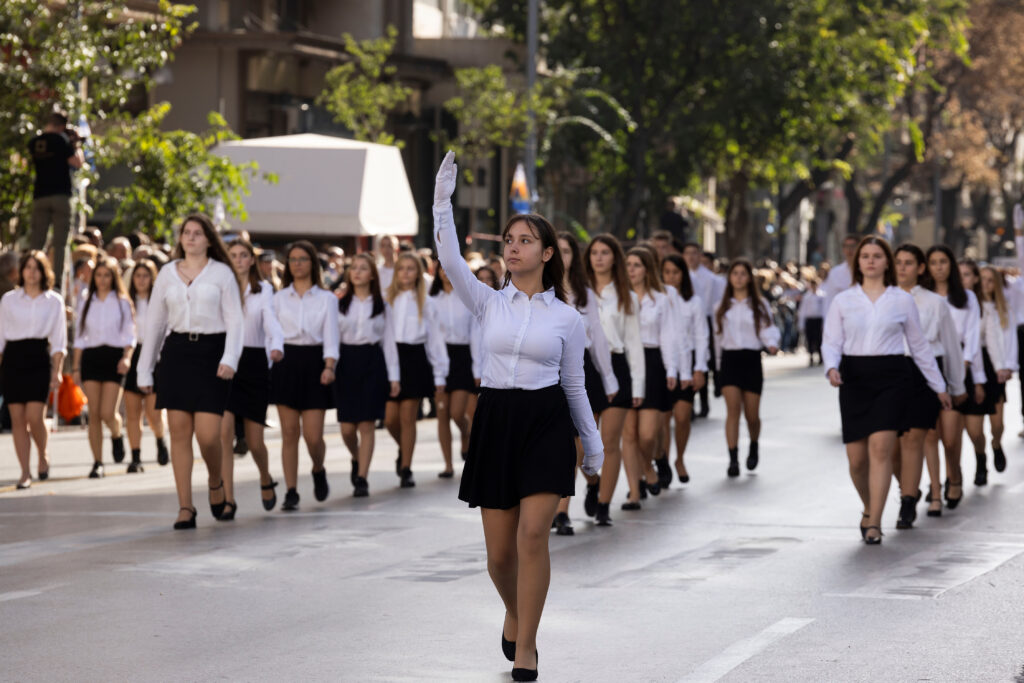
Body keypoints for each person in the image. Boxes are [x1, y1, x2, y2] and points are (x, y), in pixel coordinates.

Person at [434, 151, 602, 681]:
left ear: (548, 253)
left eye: (524, 241)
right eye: (508, 241)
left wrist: (592, 446)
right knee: (500, 557)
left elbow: (574, 384)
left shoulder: (567, 319)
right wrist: (442, 203)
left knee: (534, 536)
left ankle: (526, 644)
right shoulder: (488, 303)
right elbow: (449, 260)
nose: (512, 248)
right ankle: (513, 609)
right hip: (497, 418)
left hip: (545, 422)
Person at [822, 236, 951, 544]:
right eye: (865, 256)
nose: (870, 260)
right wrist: (831, 366)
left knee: (881, 448)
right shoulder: (843, 300)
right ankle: (869, 506)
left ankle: (875, 523)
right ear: (858, 263)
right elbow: (831, 341)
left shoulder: (901, 299)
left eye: (877, 256)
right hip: (854, 378)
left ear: (886, 262)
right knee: (857, 461)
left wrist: (939, 386)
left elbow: (919, 346)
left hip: (892, 378)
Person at [137, 214, 244, 530]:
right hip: (177, 354)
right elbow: (155, 324)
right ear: (180, 238)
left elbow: (236, 320)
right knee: (180, 432)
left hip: (213, 353)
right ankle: (185, 506)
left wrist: (231, 358)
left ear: (209, 239)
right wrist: (145, 370)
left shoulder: (222, 273)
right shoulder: (167, 274)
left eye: (198, 233)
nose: (191, 237)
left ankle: (215, 480)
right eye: (187, 233)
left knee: (209, 435)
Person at [893, 244, 965, 525]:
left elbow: (950, 347)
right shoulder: (882, 299)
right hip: (890, 374)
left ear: (920, 268)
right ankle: (909, 486)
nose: (901, 268)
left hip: (924, 374)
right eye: (897, 262)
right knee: (890, 445)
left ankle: (913, 499)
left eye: (908, 262)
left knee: (919, 438)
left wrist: (956, 387)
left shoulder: (935, 303)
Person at [552, 231, 618, 536]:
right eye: (558, 250)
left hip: (582, 373)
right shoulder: (539, 289)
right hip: (550, 374)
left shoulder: (584, 292)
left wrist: (608, 377)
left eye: (567, 251)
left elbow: (599, 339)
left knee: (578, 445)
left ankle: (563, 510)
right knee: (562, 445)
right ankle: (590, 485)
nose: (562, 257)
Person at [271, 240, 339, 511]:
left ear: (313, 263)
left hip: (314, 362)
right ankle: (290, 491)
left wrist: (329, 366)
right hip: (286, 361)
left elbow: (331, 336)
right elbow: (272, 334)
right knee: (289, 433)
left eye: (303, 259)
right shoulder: (278, 298)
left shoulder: (327, 299)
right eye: (293, 259)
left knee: (312, 436)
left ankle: (318, 468)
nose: (297, 264)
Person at [221, 239, 285, 516]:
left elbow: (270, 320)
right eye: (232, 255)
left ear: (251, 260)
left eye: (243, 255)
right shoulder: (220, 289)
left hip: (255, 362)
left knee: (255, 441)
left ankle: (265, 477)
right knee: (223, 435)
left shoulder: (264, 290)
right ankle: (227, 499)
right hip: (226, 362)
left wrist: (276, 345)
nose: (237, 259)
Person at [586, 234, 644, 526]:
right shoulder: (576, 292)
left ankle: (604, 504)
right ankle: (592, 482)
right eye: (594, 252)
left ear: (614, 258)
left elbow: (634, 343)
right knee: (583, 445)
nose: (598, 257)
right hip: (585, 367)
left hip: (618, 366)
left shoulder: (627, 296)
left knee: (609, 441)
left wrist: (638, 386)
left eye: (605, 252)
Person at [923, 244, 984, 510]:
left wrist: (966, 366)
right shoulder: (922, 296)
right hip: (928, 364)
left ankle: (955, 476)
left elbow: (972, 334)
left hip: (959, 364)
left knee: (951, 435)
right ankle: (935, 484)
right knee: (929, 433)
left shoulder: (967, 298)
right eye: (933, 262)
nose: (939, 267)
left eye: (943, 262)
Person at [335, 253, 400, 497]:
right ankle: (356, 457)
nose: (358, 272)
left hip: (372, 361)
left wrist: (394, 377)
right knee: (347, 428)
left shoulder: (382, 305)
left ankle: (362, 477)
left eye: (363, 268)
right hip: (346, 362)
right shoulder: (340, 303)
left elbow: (389, 342)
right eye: (354, 268)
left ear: (372, 274)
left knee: (366, 424)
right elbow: (332, 337)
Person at [0, 252, 67, 488]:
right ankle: (25, 472)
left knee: (34, 417)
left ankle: (43, 453)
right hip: (13, 359)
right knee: (17, 419)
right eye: (27, 267)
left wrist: (56, 370)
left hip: (38, 357)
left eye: (36, 267)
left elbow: (59, 340)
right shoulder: (9, 299)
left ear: (43, 271)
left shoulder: (53, 301)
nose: (31, 272)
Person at [385, 252, 448, 488]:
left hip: (414, 358)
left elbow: (435, 340)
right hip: (392, 356)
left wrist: (440, 372)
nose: (406, 273)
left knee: (408, 417)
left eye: (411, 269)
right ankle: (404, 448)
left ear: (418, 273)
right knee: (390, 418)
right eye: (402, 268)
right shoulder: (387, 300)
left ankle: (406, 467)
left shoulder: (426, 302)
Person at [714, 259, 780, 477]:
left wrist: (771, 343)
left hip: (751, 359)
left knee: (752, 415)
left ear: (749, 278)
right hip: (730, 360)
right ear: (730, 277)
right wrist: (715, 368)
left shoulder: (759, 305)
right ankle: (733, 458)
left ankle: (753, 444)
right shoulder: (721, 307)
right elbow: (716, 338)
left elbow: (768, 329)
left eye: (743, 273)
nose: (739, 278)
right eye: (735, 273)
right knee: (733, 410)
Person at [624, 247, 678, 506]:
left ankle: (648, 464)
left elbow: (668, 336)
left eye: (636, 264)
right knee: (630, 434)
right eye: (628, 264)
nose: (631, 269)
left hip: (653, 362)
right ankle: (635, 491)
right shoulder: (617, 297)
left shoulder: (661, 299)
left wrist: (673, 369)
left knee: (648, 433)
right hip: (625, 362)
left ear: (646, 269)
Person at [72, 257, 135, 478]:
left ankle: (117, 434)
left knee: (109, 412)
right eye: (98, 275)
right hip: (92, 357)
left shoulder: (122, 301)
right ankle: (97, 462)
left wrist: (126, 357)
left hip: (113, 357)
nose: (102, 280)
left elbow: (129, 333)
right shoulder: (86, 300)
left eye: (106, 275)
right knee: (95, 414)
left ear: (113, 277)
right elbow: (80, 336)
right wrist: (76, 367)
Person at [964, 264, 1014, 485]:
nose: (984, 284)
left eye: (989, 280)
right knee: (974, 429)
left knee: (997, 423)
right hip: (970, 363)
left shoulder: (1001, 308)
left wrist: (1005, 366)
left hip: (993, 366)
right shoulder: (966, 305)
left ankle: (996, 444)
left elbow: (1003, 340)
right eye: (981, 279)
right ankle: (980, 459)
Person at [429, 260, 480, 478]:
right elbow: (432, 337)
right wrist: (436, 369)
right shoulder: (432, 300)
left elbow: (475, 335)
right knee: (441, 413)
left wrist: (477, 369)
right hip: (438, 356)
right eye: (443, 269)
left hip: (462, 356)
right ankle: (448, 465)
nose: (446, 273)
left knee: (457, 412)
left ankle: (465, 431)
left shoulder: (467, 299)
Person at [121, 260, 170, 470]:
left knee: (153, 411)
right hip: (133, 353)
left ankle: (160, 439)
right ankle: (135, 456)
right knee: (133, 412)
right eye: (137, 276)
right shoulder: (125, 302)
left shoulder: (160, 302)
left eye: (145, 275)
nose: (141, 280)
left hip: (155, 355)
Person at [28, 112, 85, 287]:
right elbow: (77, 162)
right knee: (60, 244)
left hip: (40, 196)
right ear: (62, 126)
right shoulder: (62, 140)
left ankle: (32, 279)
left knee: (37, 243)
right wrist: (75, 144)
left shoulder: (34, 142)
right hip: (61, 195)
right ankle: (58, 283)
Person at [661, 253, 704, 484]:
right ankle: (665, 461)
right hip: (664, 366)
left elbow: (701, 337)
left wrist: (700, 369)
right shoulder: (658, 299)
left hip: (686, 367)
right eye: (666, 272)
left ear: (683, 275)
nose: (670, 277)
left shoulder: (693, 302)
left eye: (675, 272)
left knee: (683, 416)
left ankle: (680, 458)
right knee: (664, 418)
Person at [682, 242, 717, 417]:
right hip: (685, 322)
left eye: (694, 253)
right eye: (687, 253)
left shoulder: (710, 278)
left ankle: (704, 400)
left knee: (702, 361)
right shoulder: (681, 275)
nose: (690, 257)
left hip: (705, 318)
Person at [821, 234, 859, 312]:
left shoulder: (867, 272)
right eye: (846, 246)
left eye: (853, 246)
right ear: (843, 249)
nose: (849, 250)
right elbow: (829, 300)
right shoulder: (835, 272)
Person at [798, 276, 826, 366]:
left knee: (819, 339)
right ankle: (811, 357)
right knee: (810, 339)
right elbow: (803, 310)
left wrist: (825, 322)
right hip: (810, 320)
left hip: (818, 320)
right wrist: (801, 323)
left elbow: (824, 309)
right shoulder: (807, 296)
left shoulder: (822, 295)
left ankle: (821, 357)